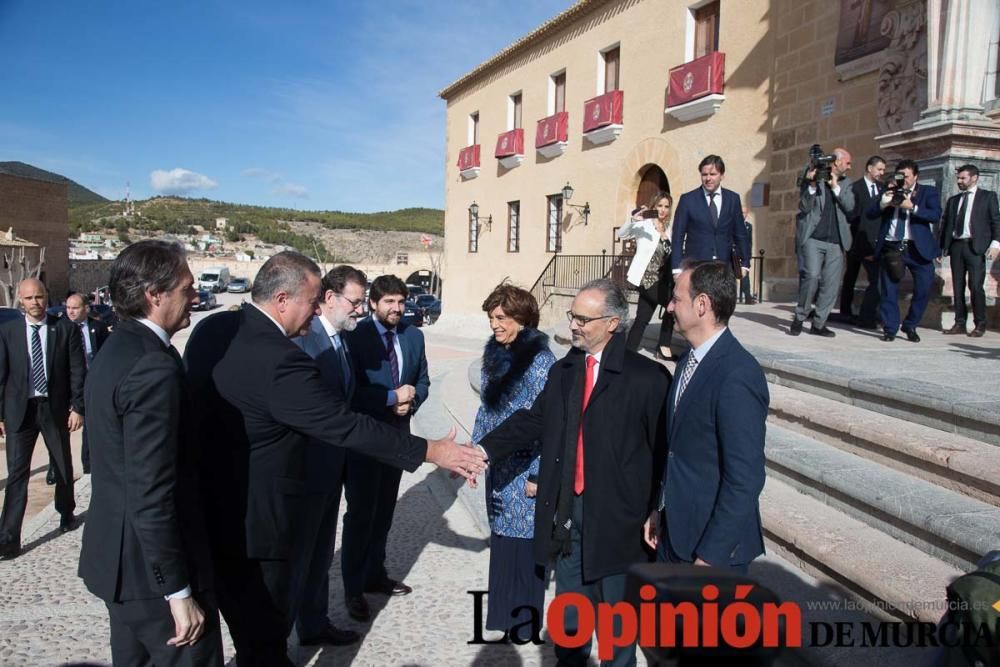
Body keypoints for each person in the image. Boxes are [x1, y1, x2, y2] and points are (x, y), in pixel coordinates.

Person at [210, 251, 484, 667]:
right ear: (283, 300)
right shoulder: (286, 353)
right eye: (313, 298)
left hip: (310, 475)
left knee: (314, 558)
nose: (317, 307)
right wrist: (432, 450)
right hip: (276, 498)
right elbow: (343, 420)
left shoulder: (228, 330)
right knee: (269, 620)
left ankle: (313, 622)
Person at [477, 279, 670, 666]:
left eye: (583, 318)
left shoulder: (647, 379)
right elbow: (533, 421)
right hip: (567, 521)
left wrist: (656, 508)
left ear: (612, 323)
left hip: (619, 530)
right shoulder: (565, 370)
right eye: (573, 316)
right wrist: (481, 449)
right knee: (570, 633)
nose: (574, 325)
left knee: (617, 644)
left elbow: (663, 452)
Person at [78, 240, 224, 665]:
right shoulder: (153, 367)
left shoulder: (116, 348)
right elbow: (151, 490)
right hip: (152, 576)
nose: (194, 296)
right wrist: (177, 591)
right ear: (154, 294)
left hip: (118, 566)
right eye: (187, 287)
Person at [645, 261, 769, 574]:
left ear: (702, 305)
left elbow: (745, 478)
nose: (669, 307)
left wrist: (712, 555)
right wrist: (660, 508)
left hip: (712, 554)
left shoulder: (738, 374)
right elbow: (678, 450)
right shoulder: (688, 359)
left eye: (677, 299)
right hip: (674, 536)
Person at [341, 275, 429, 622]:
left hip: (397, 439)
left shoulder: (413, 336)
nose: (396, 308)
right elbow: (351, 391)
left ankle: (374, 575)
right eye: (389, 302)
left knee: (384, 512)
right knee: (361, 513)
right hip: (364, 440)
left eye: (401, 302)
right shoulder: (354, 337)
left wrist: (414, 401)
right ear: (373, 304)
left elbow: (421, 379)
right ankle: (352, 589)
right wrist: (391, 400)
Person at [471, 283, 555, 641]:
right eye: (491, 318)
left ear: (522, 318)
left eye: (501, 318)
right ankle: (503, 619)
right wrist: (473, 455)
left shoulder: (541, 362)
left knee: (525, 548)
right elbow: (485, 411)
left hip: (527, 469)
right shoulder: (495, 355)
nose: (495, 325)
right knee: (503, 543)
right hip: (499, 466)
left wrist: (541, 473)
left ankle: (524, 622)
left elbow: (548, 422)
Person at [288, 265, 366, 647]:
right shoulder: (306, 342)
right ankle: (277, 640)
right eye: (355, 301)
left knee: (319, 554)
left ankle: (314, 623)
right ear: (330, 299)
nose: (361, 310)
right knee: (298, 558)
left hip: (331, 469)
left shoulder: (340, 341)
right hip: (306, 473)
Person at [0, 278, 85, 559]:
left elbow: (77, 371)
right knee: (16, 475)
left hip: (54, 408)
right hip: (20, 411)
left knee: (62, 465)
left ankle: (66, 512)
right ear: (20, 302)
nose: (35, 303)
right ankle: (9, 538)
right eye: (29, 298)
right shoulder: (7, 331)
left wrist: (78, 407)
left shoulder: (64, 329)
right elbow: (1, 376)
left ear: (46, 298)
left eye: (39, 297)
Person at [869, 159, 942, 342]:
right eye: (900, 175)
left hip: (918, 248)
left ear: (916, 176)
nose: (904, 180)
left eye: (907, 176)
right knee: (888, 290)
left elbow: (935, 215)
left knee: (924, 289)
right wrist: (884, 203)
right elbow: (870, 213)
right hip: (892, 245)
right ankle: (890, 328)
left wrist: (912, 207)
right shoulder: (889, 190)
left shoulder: (927, 192)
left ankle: (910, 324)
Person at [790, 148, 855, 337]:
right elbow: (804, 206)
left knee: (831, 284)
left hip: (836, 241)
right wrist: (811, 184)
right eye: (847, 163)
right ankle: (800, 317)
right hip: (813, 237)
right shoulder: (813, 177)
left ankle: (819, 323)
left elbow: (850, 206)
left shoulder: (846, 183)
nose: (849, 167)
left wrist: (835, 187)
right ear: (836, 162)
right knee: (811, 276)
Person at [939, 164, 1000, 337]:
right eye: (958, 178)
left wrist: (996, 244)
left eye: (963, 178)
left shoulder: (988, 197)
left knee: (976, 286)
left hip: (976, 247)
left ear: (974, 178)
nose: (959, 181)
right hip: (957, 246)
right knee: (957, 287)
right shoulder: (954, 200)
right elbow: (945, 225)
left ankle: (980, 323)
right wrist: (942, 248)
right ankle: (959, 323)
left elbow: (996, 221)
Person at [671, 154, 750, 282]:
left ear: (722, 175)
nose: (708, 178)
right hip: (696, 268)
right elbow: (678, 237)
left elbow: (740, 233)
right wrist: (676, 269)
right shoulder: (688, 200)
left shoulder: (732, 199)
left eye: (712, 174)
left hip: (724, 268)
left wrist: (745, 263)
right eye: (704, 174)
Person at [617, 191, 675, 357]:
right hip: (645, 279)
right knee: (673, 306)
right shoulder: (645, 224)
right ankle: (664, 347)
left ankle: (627, 353)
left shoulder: (669, 228)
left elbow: (671, 252)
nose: (663, 210)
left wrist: (664, 235)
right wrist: (632, 220)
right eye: (660, 206)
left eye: (666, 206)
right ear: (653, 206)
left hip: (662, 280)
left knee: (642, 318)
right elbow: (622, 234)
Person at [57, 292, 108, 477]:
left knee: (91, 425)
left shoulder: (98, 328)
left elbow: (106, 356)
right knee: (61, 430)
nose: (70, 312)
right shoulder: (59, 328)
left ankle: (89, 466)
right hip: (68, 386)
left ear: (86, 309)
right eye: (68, 308)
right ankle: (56, 468)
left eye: (75, 308)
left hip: (92, 383)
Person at [841, 155, 886, 329]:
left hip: (874, 241)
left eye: (883, 170)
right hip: (856, 239)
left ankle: (873, 313)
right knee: (850, 275)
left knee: (875, 277)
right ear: (869, 168)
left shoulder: (882, 189)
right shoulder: (856, 188)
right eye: (879, 169)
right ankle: (845, 310)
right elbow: (851, 214)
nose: (881, 173)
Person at [739, 207, 756, 305]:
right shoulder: (733, 225)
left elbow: (750, 242)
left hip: (744, 254)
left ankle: (747, 297)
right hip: (735, 254)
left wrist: (748, 255)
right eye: (741, 212)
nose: (743, 214)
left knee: (745, 276)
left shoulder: (749, 226)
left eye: (744, 213)